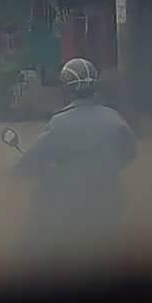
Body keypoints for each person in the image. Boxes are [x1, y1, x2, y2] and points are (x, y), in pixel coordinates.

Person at [12, 58, 136, 259]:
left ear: (66, 89)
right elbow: (129, 153)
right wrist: (108, 167)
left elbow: (36, 156)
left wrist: (20, 168)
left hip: (71, 198)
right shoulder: (115, 118)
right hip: (111, 193)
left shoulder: (59, 122)